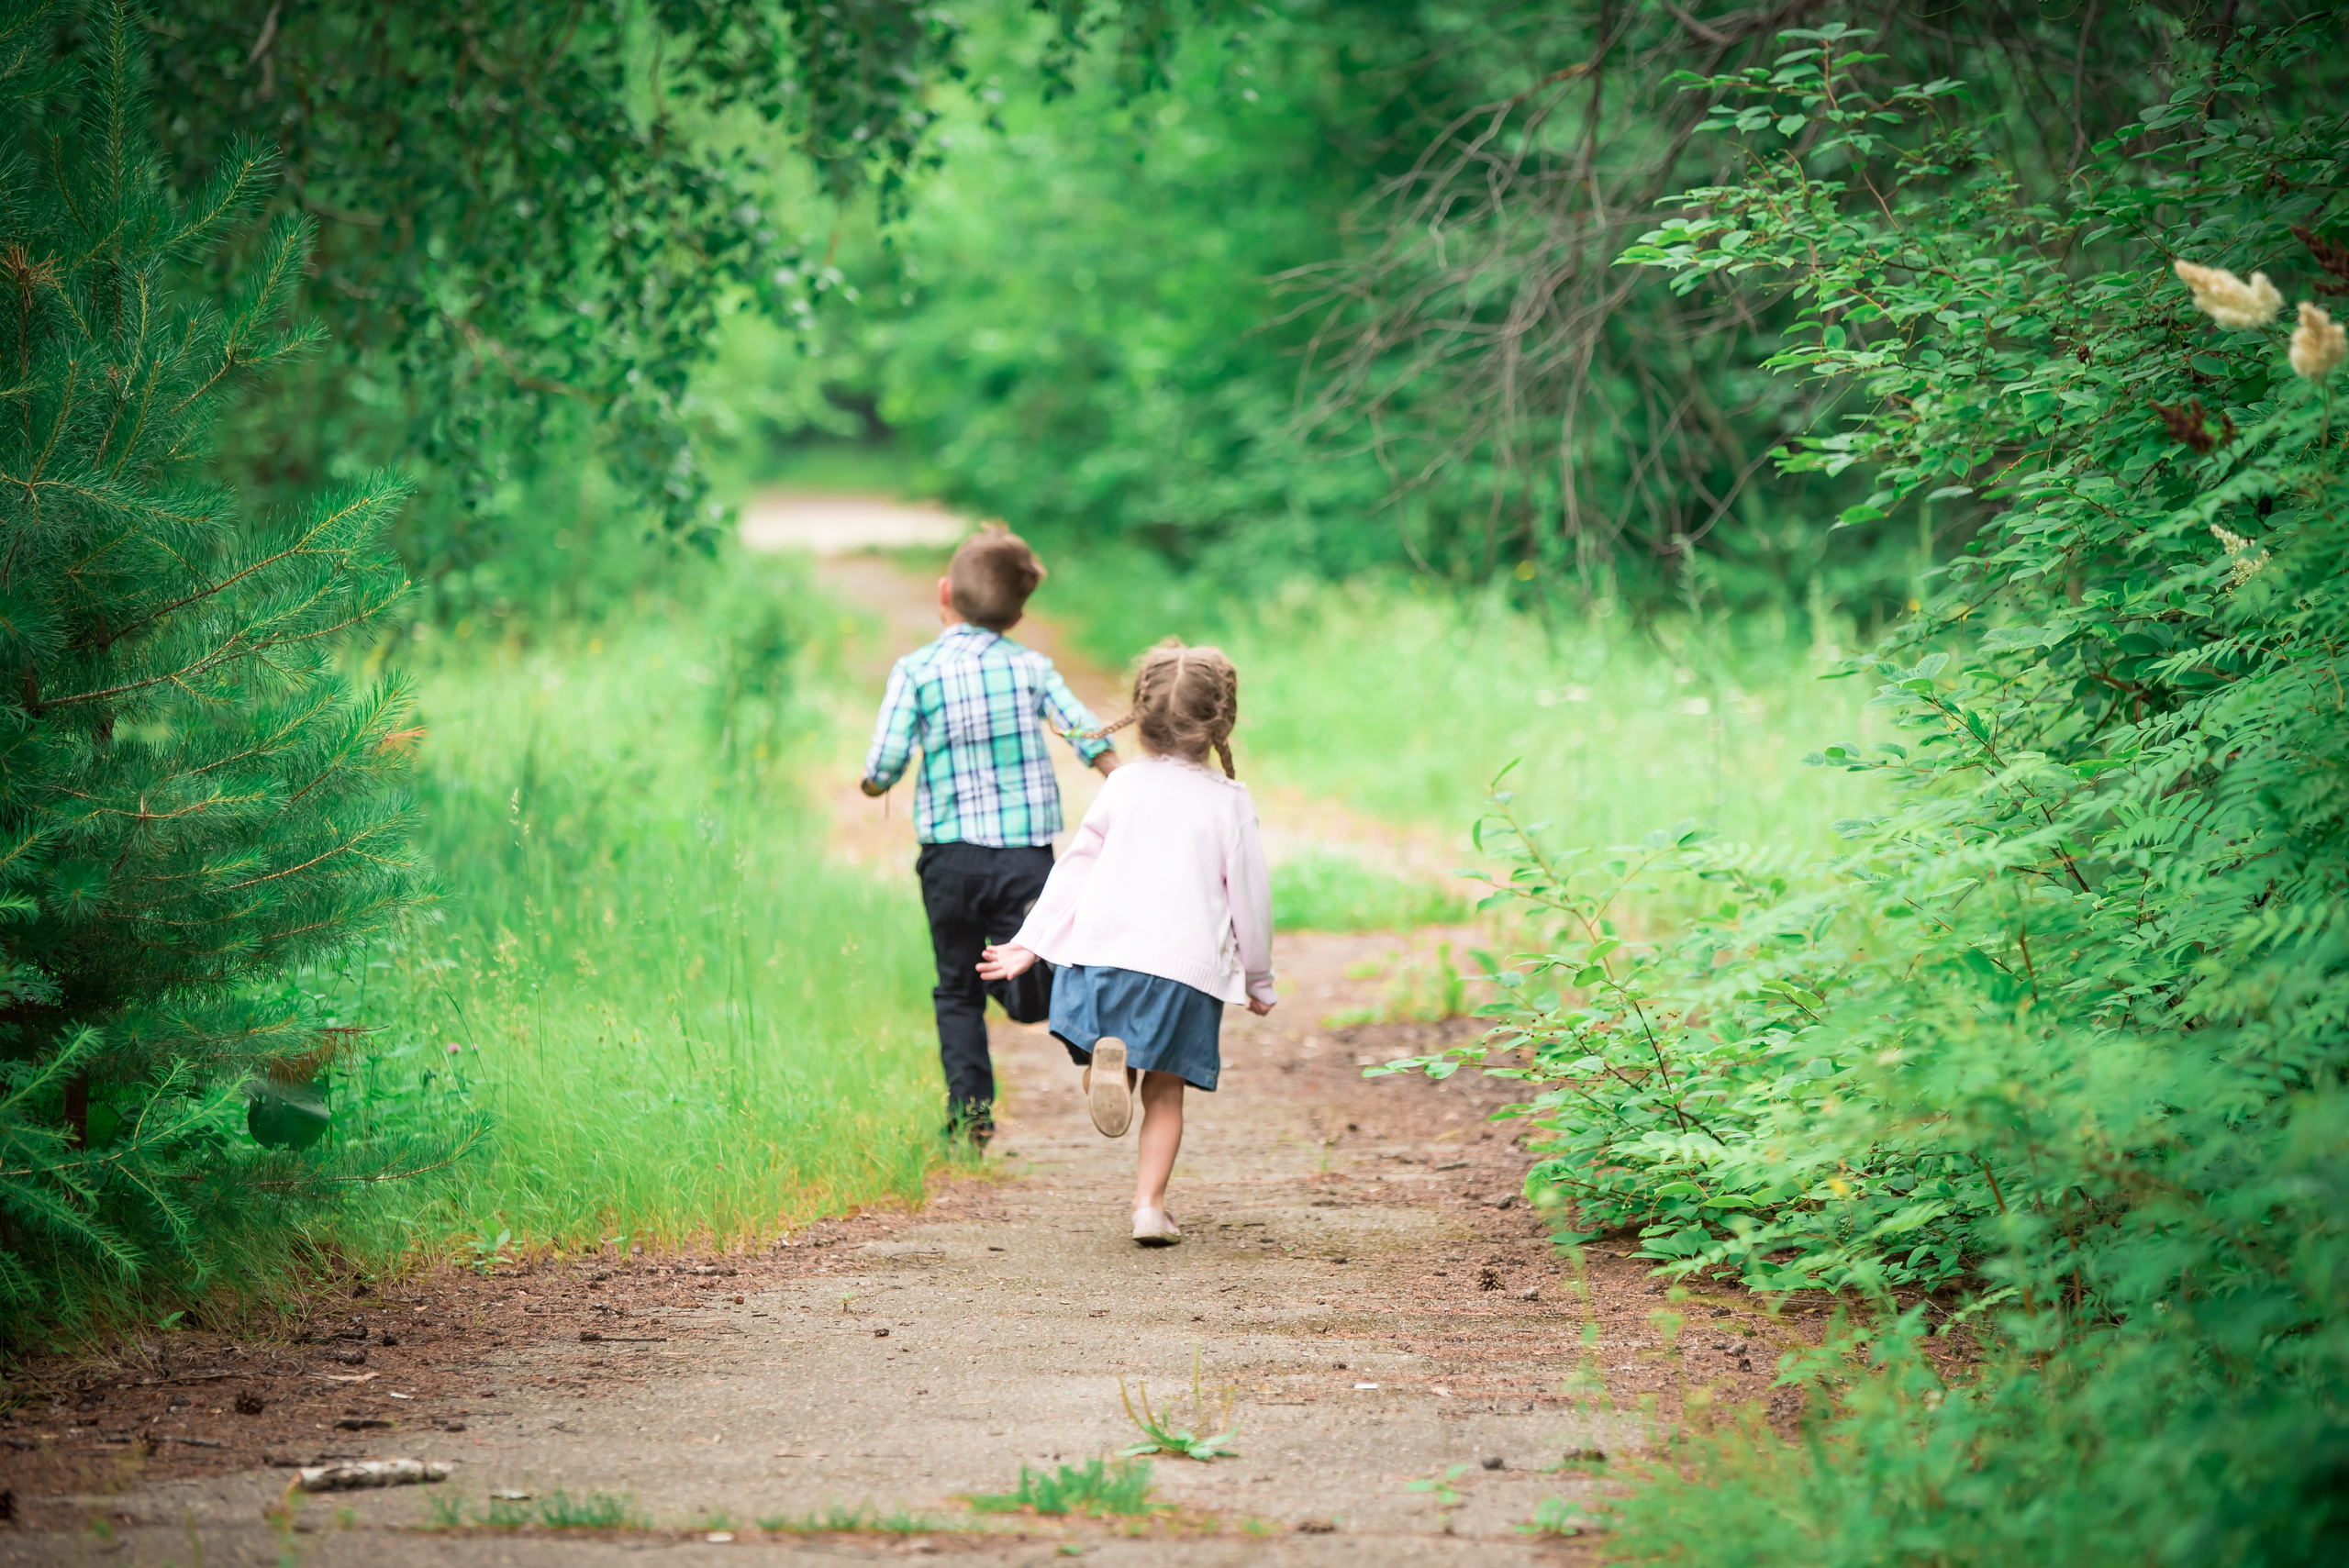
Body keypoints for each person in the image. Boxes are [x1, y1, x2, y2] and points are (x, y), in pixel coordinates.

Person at [977, 640, 1275, 1246]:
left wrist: (1031, 943)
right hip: (1182, 971)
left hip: (1100, 958)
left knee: (1107, 1047)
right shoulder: (1230, 802)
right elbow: (1250, 897)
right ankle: (1149, 1207)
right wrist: (1257, 977)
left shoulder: (1123, 785)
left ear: (1141, 715)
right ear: (1222, 719)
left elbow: (1074, 869)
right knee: (1165, 1092)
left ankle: (1103, 1069)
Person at [861, 527, 1119, 1145]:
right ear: (1019, 614)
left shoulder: (916, 671)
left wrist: (874, 783)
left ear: (943, 593)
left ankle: (970, 1121)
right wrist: (1122, 778)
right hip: (1024, 860)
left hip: (950, 861)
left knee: (958, 988)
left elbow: (885, 762)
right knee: (1035, 967)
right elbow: (1085, 732)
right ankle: (1091, 1042)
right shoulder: (1031, 667)